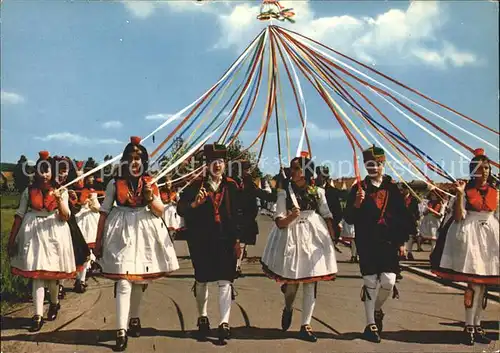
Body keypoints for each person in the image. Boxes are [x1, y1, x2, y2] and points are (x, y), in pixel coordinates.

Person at [94, 136, 179, 351]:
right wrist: (98, 240)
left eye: (139, 158)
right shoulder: (115, 182)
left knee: (139, 280)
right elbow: (104, 212)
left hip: (145, 233)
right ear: (124, 161)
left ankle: (134, 317)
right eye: (131, 158)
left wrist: (151, 198)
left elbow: (160, 210)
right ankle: (120, 330)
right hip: (120, 232)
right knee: (123, 280)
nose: (135, 162)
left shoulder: (150, 182)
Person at [261, 154, 338, 342]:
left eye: (296, 168)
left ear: (306, 172)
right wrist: (290, 217)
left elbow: (327, 214)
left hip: (314, 237)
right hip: (291, 237)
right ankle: (288, 308)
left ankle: (306, 325)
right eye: (292, 168)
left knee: (310, 281)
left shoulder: (318, 192)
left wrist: (332, 238)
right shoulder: (284, 192)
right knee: (292, 285)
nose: (292, 171)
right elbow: (279, 221)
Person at [431, 148, 498, 346]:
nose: (484, 172)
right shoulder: (465, 191)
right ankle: (469, 326)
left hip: (490, 236)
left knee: (483, 285)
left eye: (486, 168)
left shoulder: (496, 191)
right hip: (471, 235)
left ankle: (477, 325)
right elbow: (459, 216)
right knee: (474, 284)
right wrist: (460, 195)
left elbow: (496, 214)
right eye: (479, 168)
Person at [344, 145, 411, 343]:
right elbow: (348, 218)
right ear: (365, 165)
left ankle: (377, 308)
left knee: (389, 281)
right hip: (366, 241)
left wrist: (401, 242)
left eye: (377, 164)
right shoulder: (358, 189)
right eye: (369, 164)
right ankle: (370, 324)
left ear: (383, 164)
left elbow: (404, 217)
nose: (373, 167)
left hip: (388, 242)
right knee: (370, 281)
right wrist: (356, 204)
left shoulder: (393, 189)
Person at [177, 143, 242, 342]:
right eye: (213, 162)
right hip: (201, 239)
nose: (217, 166)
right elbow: (181, 209)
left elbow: (238, 215)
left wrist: (238, 240)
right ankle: (202, 317)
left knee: (225, 280)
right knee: (202, 279)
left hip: (225, 239)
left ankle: (224, 323)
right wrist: (195, 204)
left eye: (220, 162)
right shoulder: (195, 185)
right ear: (207, 164)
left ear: (225, 164)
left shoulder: (231, 185)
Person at [8, 151, 78, 332]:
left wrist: (58, 198)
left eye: (47, 171)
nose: (44, 175)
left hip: (55, 233)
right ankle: (37, 315)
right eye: (41, 171)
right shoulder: (29, 191)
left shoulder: (61, 191)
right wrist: (12, 238)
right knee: (37, 276)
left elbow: (65, 216)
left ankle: (54, 303)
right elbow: (19, 215)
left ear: (53, 173)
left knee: (51, 277)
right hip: (34, 234)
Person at [70, 162, 101, 293]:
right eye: (78, 177)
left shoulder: (93, 192)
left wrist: (91, 202)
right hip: (78, 221)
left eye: (83, 177)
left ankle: (81, 280)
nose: (81, 180)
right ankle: (78, 278)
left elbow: (97, 208)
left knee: (87, 251)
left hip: (90, 222)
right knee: (77, 251)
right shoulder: (71, 191)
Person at [401, 184, 420, 261]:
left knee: (410, 237)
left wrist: (416, 218)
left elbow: (416, 210)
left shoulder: (413, 199)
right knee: (401, 236)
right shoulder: (399, 198)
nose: (403, 191)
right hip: (401, 220)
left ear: (408, 190)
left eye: (404, 189)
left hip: (410, 220)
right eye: (402, 189)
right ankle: (403, 252)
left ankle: (409, 252)